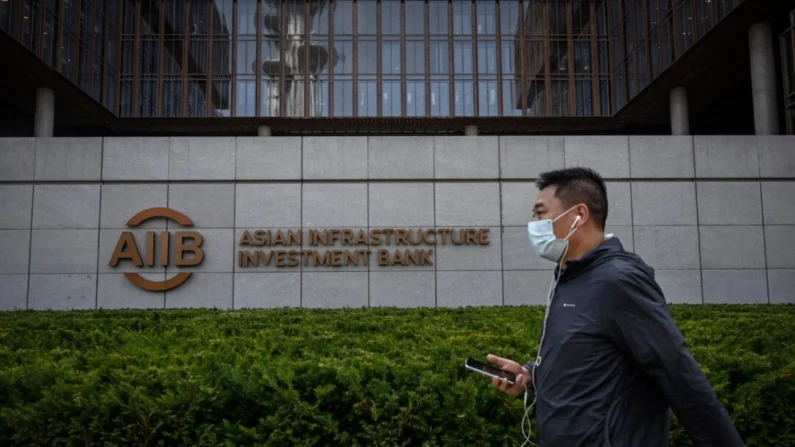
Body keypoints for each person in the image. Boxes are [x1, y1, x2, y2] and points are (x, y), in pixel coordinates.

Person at [486, 167, 745, 446]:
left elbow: (678, 374)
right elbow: (588, 358)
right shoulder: (570, 277)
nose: (532, 223)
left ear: (579, 215)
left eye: (539, 213)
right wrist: (529, 375)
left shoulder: (618, 280)